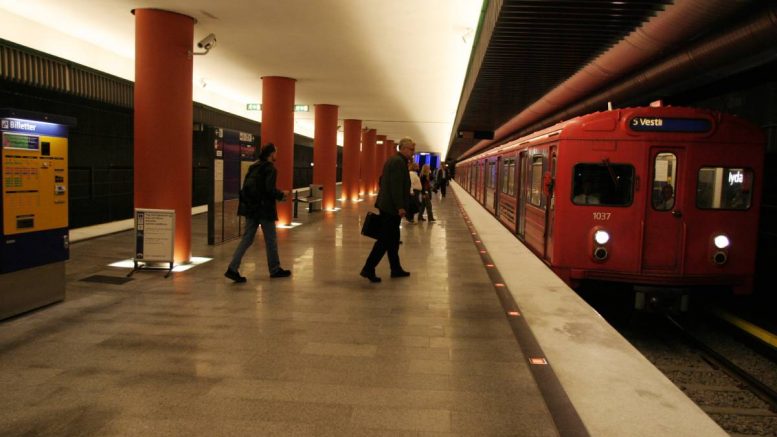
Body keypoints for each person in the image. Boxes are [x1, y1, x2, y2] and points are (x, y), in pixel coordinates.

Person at [225, 143, 291, 282]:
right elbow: (268, 190)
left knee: (247, 239)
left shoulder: (253, 167)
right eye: (276, 152)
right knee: (271, 240)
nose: (276, 155)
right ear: (271, 154)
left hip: (251, 208)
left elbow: (248, 188)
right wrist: (282, 194)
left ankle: (232, 268)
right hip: (264, 210)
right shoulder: (270, 169)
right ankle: (275, 269)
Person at [360, 137, 413, 283]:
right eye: (410, 149)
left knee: (393, 241)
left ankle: (395, 268)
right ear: (402, 148)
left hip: (388, 206)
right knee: (384, 240)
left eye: (413, 149)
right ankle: (368, 268)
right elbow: (396, 186)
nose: (412, 152)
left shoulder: (396, 161)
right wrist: (400, 207)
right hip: (391, 209)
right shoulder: (398, 162)